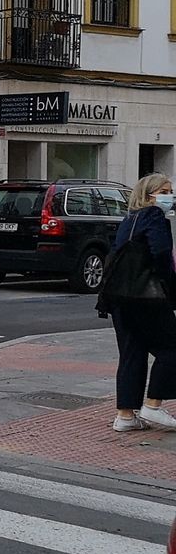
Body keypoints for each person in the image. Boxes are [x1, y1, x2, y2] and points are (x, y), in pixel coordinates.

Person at [107, 173, 176, 432]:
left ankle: (125, 416)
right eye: (164, 191)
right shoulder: (154, 216)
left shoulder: (129, 219)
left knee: (132, 352)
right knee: (172, 348)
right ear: (149, 196)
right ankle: (153, 405)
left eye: (170, 191)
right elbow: (160, 252)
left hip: (120, 296)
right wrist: (167, 282)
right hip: (147, 296)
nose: (170, 196)